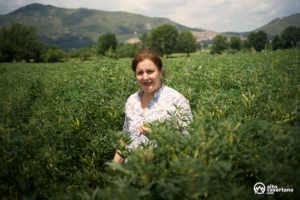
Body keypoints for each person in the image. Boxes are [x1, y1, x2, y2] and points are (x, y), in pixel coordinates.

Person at [113, 48, 193, 164]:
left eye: (150, 71)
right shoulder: (132, 101)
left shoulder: (176, 100)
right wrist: (114, 169)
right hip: (131, 175)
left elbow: (188, 141)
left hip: (163, 174)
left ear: (160, 72)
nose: (145, 77)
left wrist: (159, 134)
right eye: (140, 73)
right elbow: (125, 139)